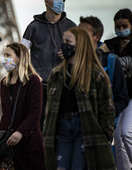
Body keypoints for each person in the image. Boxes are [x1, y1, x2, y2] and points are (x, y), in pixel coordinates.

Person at [43, 27, 116, 169]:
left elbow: (107, 109)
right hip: (61, 129)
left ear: (80, 45)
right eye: (63, 41)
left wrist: (104, 135)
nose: (63, 45)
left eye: (68, 41)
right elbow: (50, 109)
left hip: (85, 128)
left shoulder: (95, 75)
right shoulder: (56, 75)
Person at [21, 0, 76, 130]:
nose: (62, 2)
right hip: (39, 84)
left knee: (61, 124)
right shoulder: (33, 27)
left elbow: (83, 54)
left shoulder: (72, 27)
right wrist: (30, 75)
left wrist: (71, 55)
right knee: (37, 124)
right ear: (47, 1)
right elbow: (21, 54)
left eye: (64, 0)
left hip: (64, 83)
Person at [0, 42, 45, 170]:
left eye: (8, 55)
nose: (5, 59)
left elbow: (35, 112)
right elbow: (6, 115)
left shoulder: (33, 81)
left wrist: (21, 132)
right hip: (8, 143)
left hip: (27, 141)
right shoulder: (4, 83)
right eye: (4, 56)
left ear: (20, 58)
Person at [104, 9, 132, 169]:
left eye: (124, 26)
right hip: (122, 96)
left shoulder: (112, 46)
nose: (121, 30)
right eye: (118, 27)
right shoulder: (112, 43)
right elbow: (95, 54)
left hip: (129, 96)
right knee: (119, 139)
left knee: (126, 133)